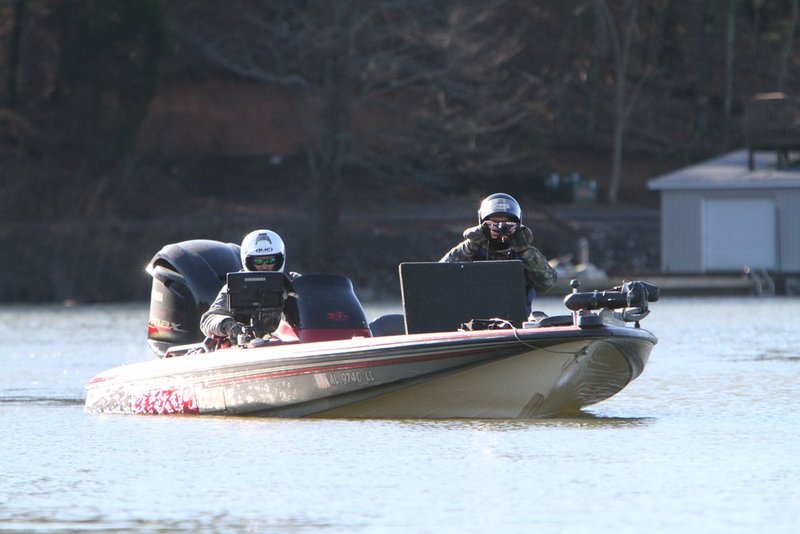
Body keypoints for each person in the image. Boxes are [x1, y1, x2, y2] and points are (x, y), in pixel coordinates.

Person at [440, 193, 557, 312]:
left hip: (516, 320)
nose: (501, 228)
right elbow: (440, 276)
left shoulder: (526, 254)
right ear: (483, 223)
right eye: (494, 223)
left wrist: (524, 250)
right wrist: (472, 243)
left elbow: (548, 283)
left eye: (506, 223)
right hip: (472, 321)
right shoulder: (471, 250)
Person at [200, 229, 300, 343]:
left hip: (292, 342)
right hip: (248, 347)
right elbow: (208, 319)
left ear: (279, 259)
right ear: (247, 261)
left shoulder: (294, 282)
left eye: (270, 260)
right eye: (258, 261)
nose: (264, 266)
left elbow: (317, 305)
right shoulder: (235, 286)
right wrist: (227, 325)